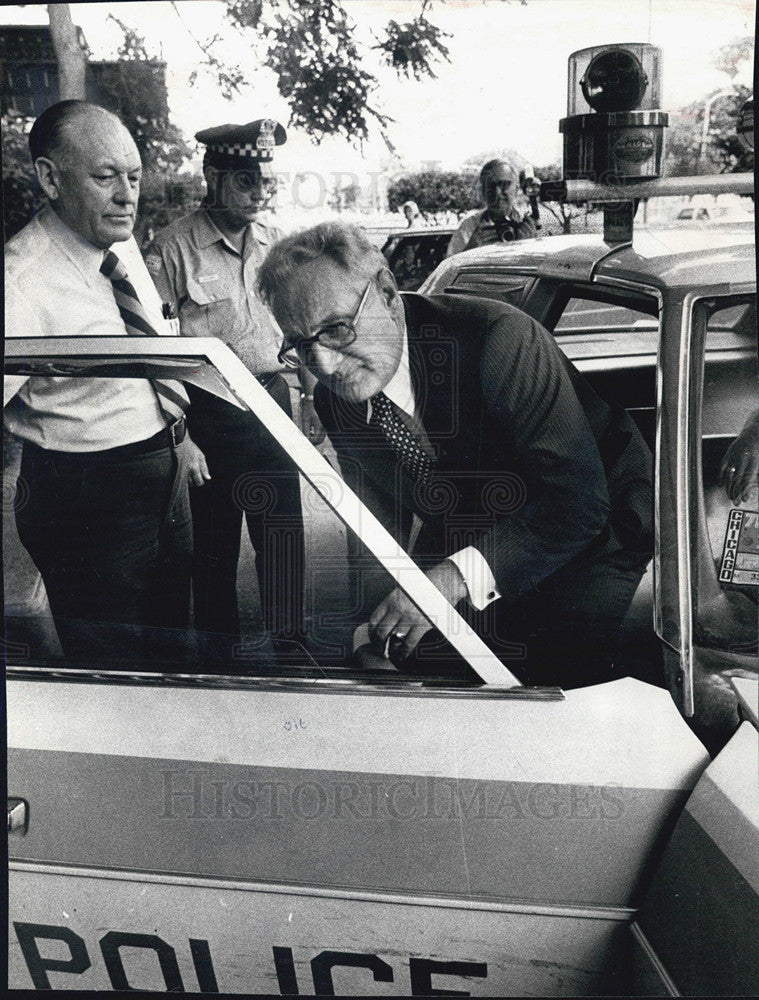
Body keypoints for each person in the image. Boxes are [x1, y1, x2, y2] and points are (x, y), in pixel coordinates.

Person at [257, 222, 654, 687]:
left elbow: (577, 506)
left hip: (598, 518)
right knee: (415, 658)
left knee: (549, 680)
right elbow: (375, 521)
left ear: (386, 293)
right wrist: (368, 629)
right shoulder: (334, 396)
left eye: (338, 330)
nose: (323, 366)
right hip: (479, 516)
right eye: (303, 345)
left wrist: (450, 580)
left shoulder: (499, 340)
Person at [4, 100, 207, 664]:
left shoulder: (120, 246)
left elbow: (151, 357)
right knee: (112, 665)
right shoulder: (18, 283)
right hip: (86, 497)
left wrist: (179, 436)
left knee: (172, 647)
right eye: (105, 177)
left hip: (165, 473)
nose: (127, 195)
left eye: (135, 176)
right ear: (49, 178)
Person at [148, 119, 313, 663]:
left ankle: (291, 646)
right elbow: (153, 349)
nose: (260, 192)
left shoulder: (273, 244)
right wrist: (181, 436)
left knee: (283, 537)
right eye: (246, 180)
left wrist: (307, 401)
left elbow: (296, 326)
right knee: (213, 550)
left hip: (271, 402)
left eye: (265, 180)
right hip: (208, 416)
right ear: (212, 178)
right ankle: (221, 658)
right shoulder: (173, 249)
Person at [447, 158, 537, 257]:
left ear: (516, 188)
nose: (497, 192)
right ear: (483, 191)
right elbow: (449, 267)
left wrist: (531, 244)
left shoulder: (528, 225)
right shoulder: (469, 228)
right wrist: (470, 251)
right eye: (491, 186)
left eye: (504, 185)